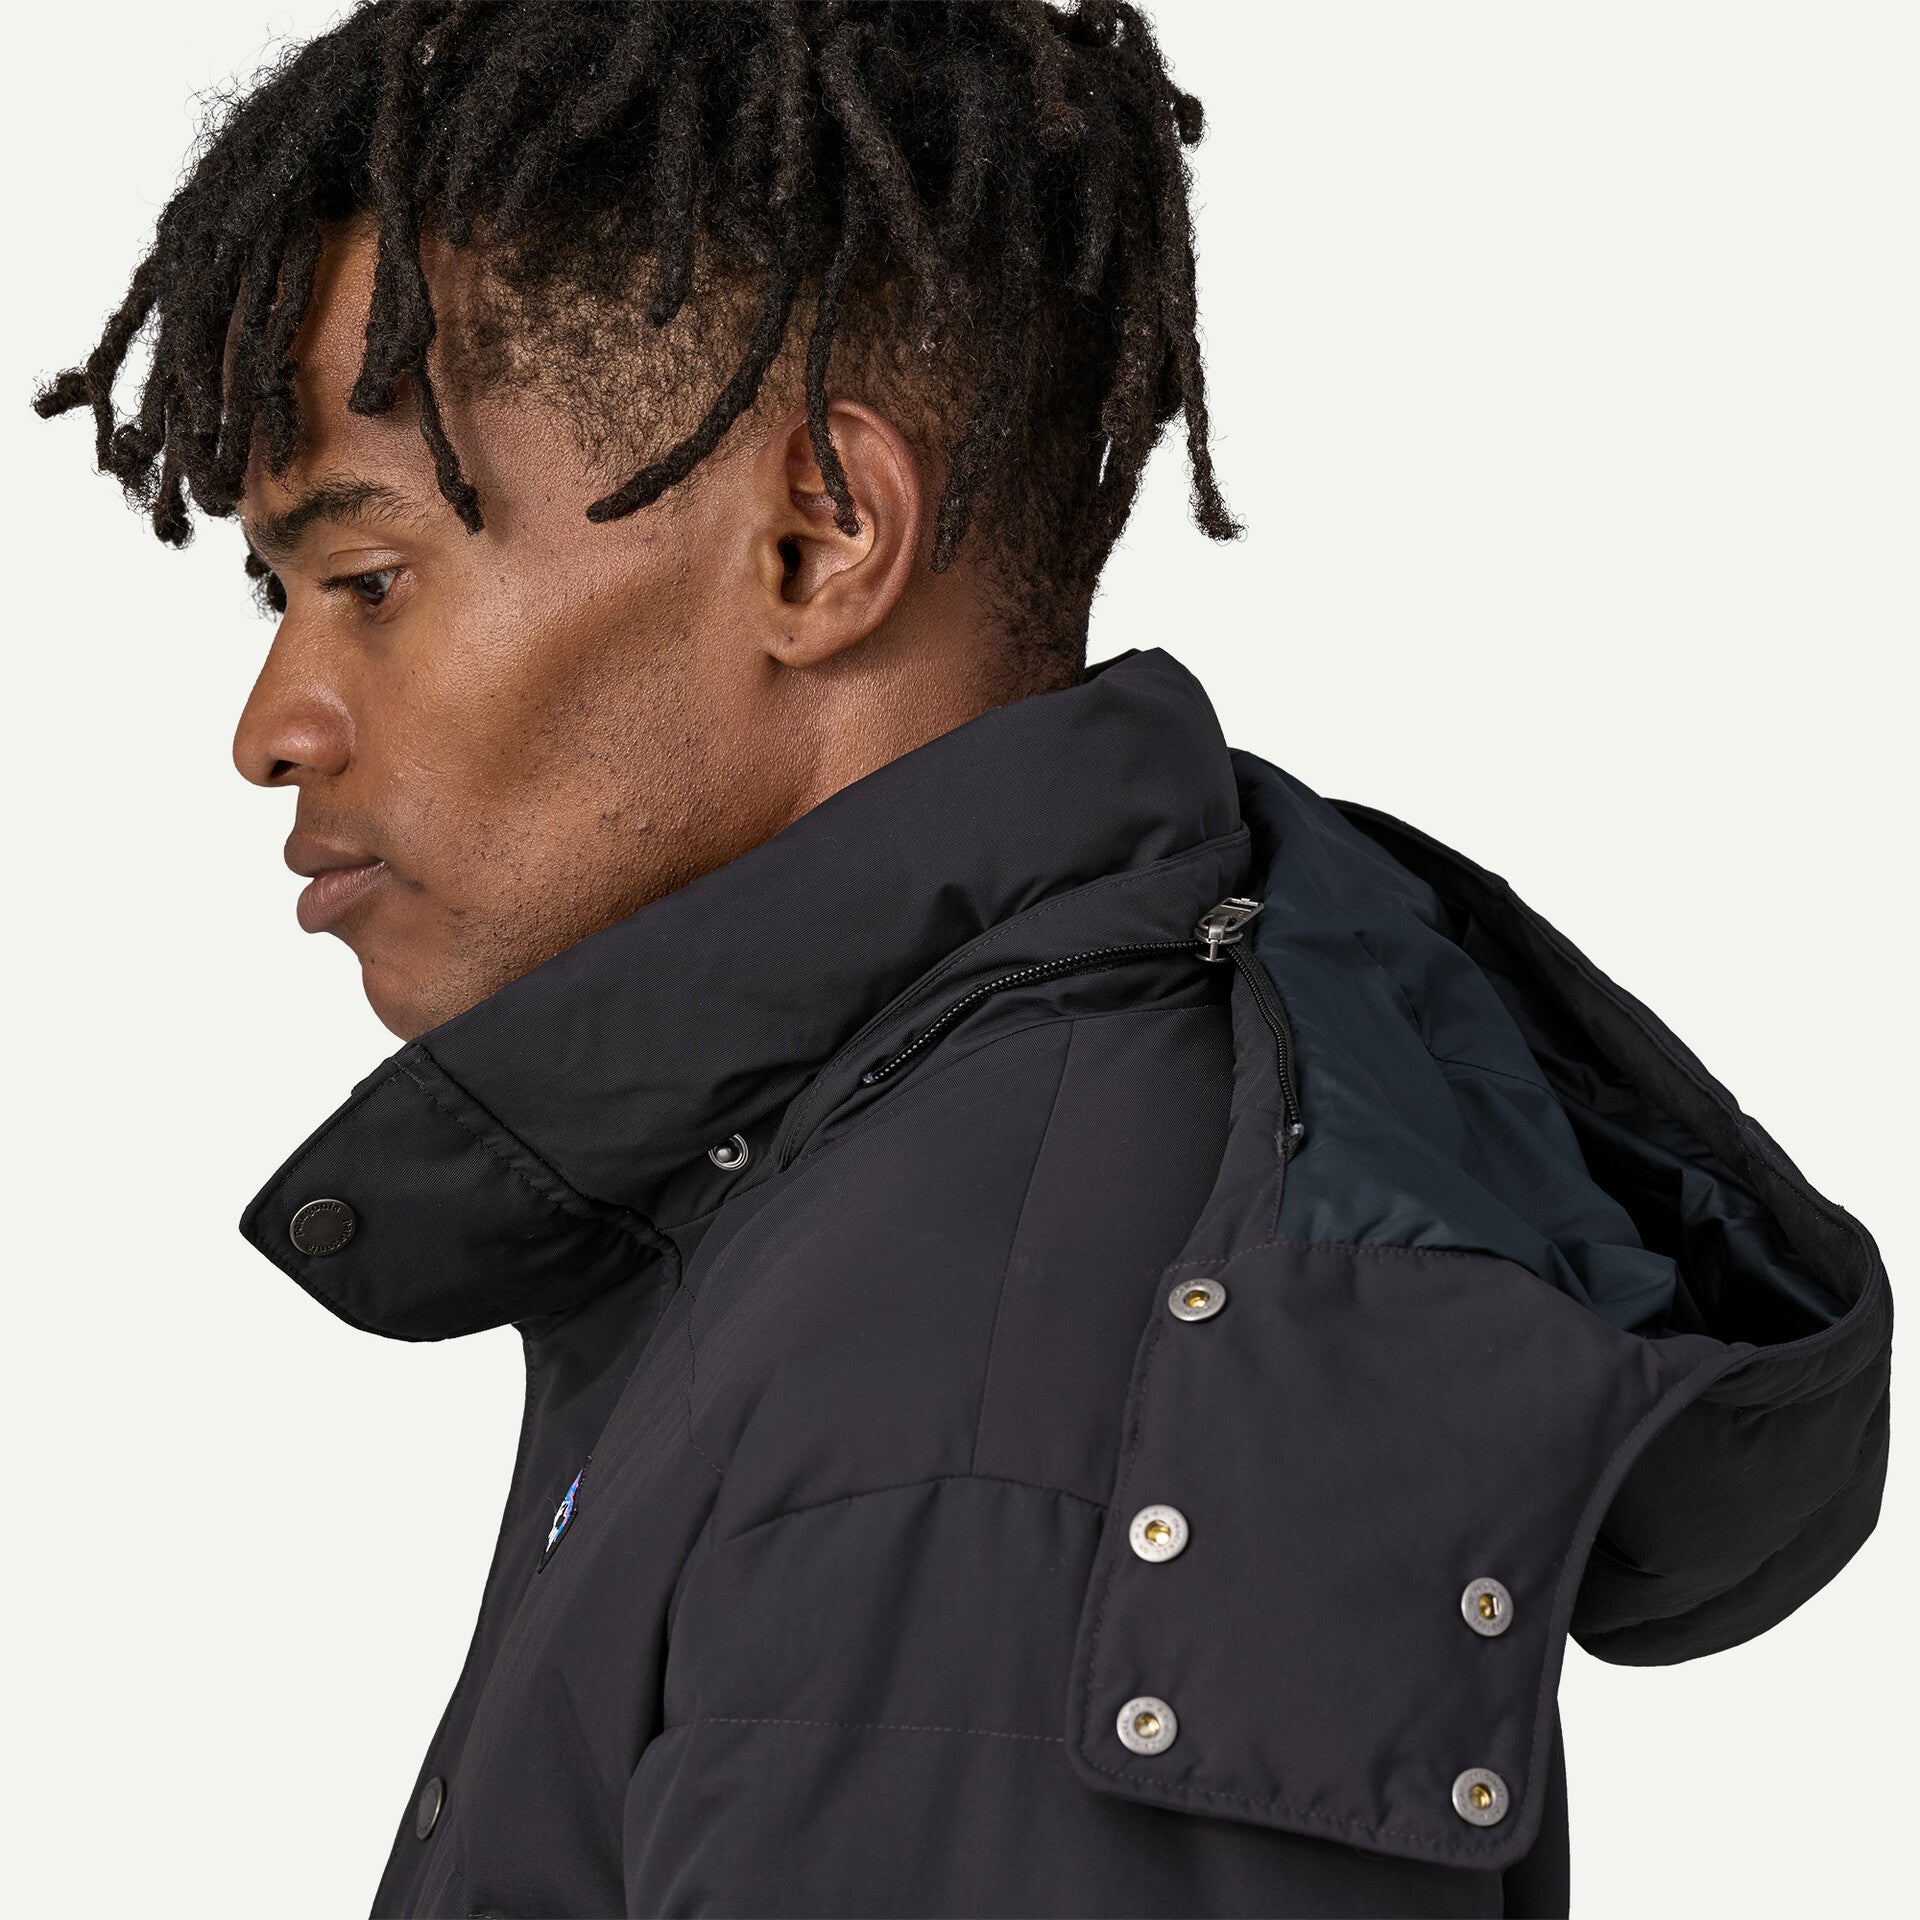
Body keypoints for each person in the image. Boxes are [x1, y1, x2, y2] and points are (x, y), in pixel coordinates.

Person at [37, 4, 1890, 1916]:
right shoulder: (884, 1219)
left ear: (819, 539)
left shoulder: (978, 1389)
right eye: (282, 600)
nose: (272, 726)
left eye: (366, 581)